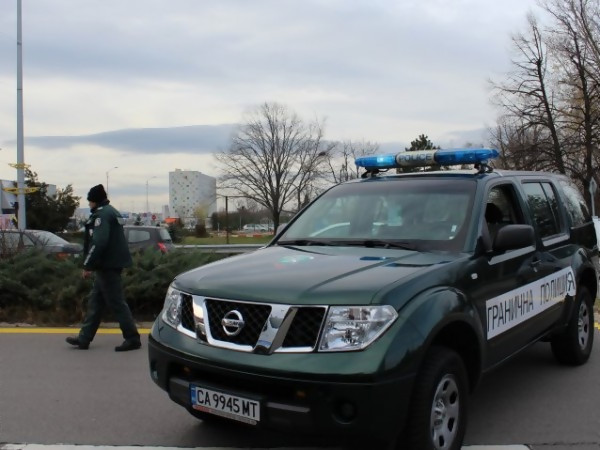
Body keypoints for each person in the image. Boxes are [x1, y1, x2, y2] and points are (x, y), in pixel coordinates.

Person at [66, 184, 141, 352]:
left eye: (90, 201)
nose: (89, 204)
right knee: (96, 303)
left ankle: (132, 338)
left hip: (108, 265)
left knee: (116, 302)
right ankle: (84, 338)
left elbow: (99, 242)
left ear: (94, 200)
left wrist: (88, 265)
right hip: (110, 264)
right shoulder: (111, 211)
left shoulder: (102, 215)